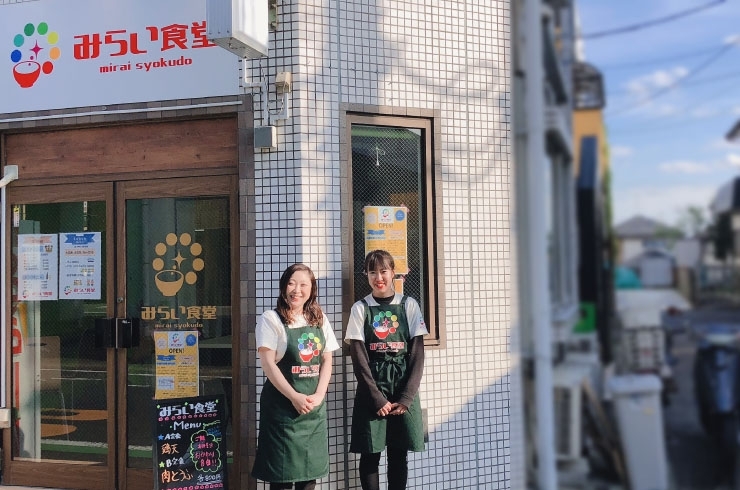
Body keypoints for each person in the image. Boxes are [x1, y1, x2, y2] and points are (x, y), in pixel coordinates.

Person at [252, 263, 339, 490]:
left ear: (312, 289)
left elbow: (327, 359)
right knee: (281, 478)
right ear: (283, 287)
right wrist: (294, 397)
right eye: (291, 283)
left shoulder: (319, 319)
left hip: (312, 409)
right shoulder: (271, 319)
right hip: (282, 409)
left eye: (303, 284)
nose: (296, 290)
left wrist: (319, 395)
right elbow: (268, 365)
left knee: (309, 477)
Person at [345, 250, 427, 490]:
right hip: (372, 387)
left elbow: (417, 354)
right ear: (366, 275)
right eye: (372, 272)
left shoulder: (408, 305)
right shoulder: (360, 309)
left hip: (402, 385)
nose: (378, 277)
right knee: (370, 453)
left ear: (393, 273)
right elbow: (358, 357)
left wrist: (406, 397)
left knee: (398, 453)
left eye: (383, 271)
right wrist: (376, 397)